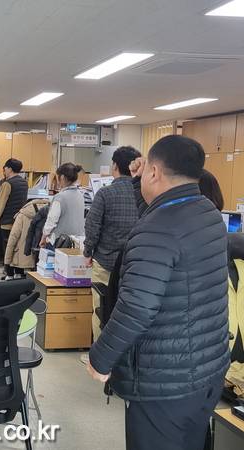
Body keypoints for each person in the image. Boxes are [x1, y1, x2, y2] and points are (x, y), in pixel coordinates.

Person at [87, 135, 230, 450]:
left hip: (164, 380)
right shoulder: (206, 211)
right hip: (206, 369)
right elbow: (159, 214)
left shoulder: (156, 230)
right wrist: (139, 181)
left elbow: (136, 308)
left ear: (153, 172)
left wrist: (101, 358)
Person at [83, 146, 141, 341]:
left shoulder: (105, 193)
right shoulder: (145, 194)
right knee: (128, 313)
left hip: (105, 262)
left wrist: (88, 252)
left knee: (101, 309)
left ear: (115, 166)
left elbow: (92, 226)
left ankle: (101, 352)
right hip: (134, 265)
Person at [0, 158, 28, 279]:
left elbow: (1, 204)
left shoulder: (7, 183)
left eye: (5, 168)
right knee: (18, 247)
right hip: (20, 220)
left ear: (10, 168)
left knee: (8, 247)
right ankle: (19, 272)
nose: (4, 170)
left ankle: (9, 274)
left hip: (7, 221)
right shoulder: (24, 183)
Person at [39, 163, 85, 248]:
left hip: (60, 242)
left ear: (62, 177)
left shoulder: (60, 197)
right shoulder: (81, 195)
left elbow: (51, 221)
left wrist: (43, 237)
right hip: (77, 242)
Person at [3, 198, 48, 279]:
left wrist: (7, 263)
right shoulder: (52, 211)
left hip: (23, 256)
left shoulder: (23, 214)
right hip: (45, 257)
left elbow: (13, 237)